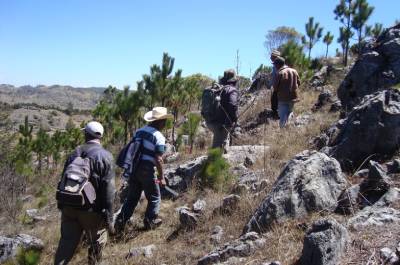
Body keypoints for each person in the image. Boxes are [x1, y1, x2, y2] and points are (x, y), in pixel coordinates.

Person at [54, 121, 115, 265]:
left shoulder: (73, 153)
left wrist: (62, 205)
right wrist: (109, 217)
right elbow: (109, 191)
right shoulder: (106, 156)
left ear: (86, 134)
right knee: (96, 244)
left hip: (69, 207)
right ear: (100, 137)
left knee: (65, 245)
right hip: (92, 211)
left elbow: (63, 180)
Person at [114, 107, 171, 233]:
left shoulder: (139, 131)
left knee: (132, 197)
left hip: (134, 168)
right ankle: (150, 221)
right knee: (155, 196)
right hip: (147, 169)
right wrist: (161, 177)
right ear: (161, 122)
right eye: (165, 121)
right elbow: (158, 160)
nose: (165, 123)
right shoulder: (159, 136)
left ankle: (120, 221)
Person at [206, 69, 239, 150]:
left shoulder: (219, 89)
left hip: (210, 121)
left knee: (221, 144)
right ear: (234, 80)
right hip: (221, 124)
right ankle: (213, 161)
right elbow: (232, 105)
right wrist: (235, 118)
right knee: (217, 150)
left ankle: (220, 159)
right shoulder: (232, 90)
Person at [272, 56, 300, 127]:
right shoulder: (294, 71)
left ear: (278, 64)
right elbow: (299, 83)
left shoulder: (280, 72)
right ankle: (290, 127)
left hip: (283, 98)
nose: (274, 66)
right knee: (289, 112)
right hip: (293, 97)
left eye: (275, 64)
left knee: (282, 118)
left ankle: (283, 133)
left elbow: (275, 87)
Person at [270, 50, 281, 119]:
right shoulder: (274, 66)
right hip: (276, 87)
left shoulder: (279, 66)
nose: (271, 58)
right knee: (274, 101)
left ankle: (277, 116)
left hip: (279, 87)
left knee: (275, 101)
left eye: (272, 57)